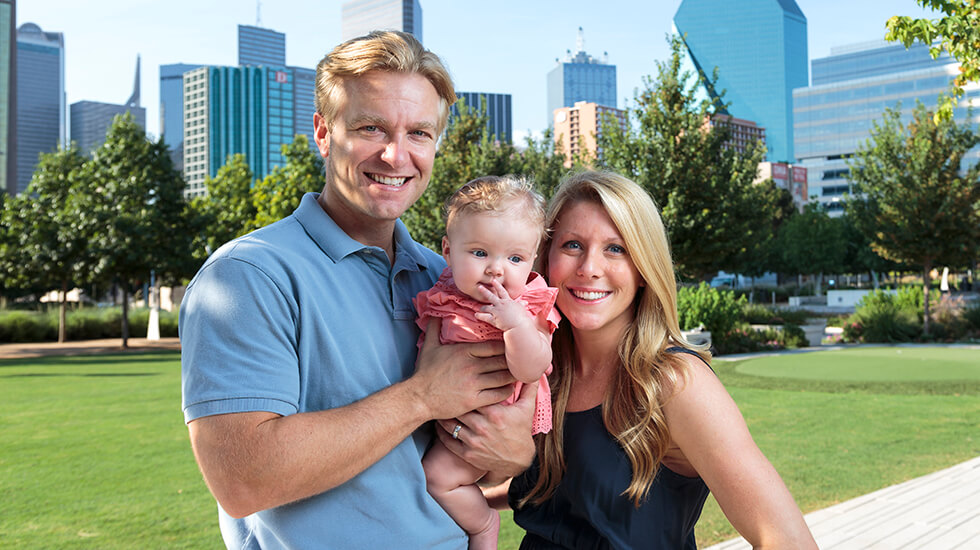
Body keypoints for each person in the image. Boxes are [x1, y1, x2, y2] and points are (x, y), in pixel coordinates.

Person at [179, 31, 535, 549]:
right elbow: (243, 480)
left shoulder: (449, 280)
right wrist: (421, 397)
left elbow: (464, 470)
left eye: (419, 133)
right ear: (324, 133)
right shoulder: (247, 277)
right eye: (371, 127)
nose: (397, 155)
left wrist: (514, 453)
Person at [493, 171, 817, 549]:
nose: (589, 268)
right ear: (546, 258)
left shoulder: (674, 381)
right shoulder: (541, 369)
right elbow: (560, 489)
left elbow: (784, 539)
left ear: (643, 270)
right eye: (572, 245)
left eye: (616, 249)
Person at [414, 176, 561, 549]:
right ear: (447, 251)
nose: (497, 269)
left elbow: (532, 368)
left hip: (491, 420)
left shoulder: (528, 306)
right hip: (451, 418)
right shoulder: (444, 295)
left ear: (532, 260)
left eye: (514, 258)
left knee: (437, 478)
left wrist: (515, 325)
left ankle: (482, 527)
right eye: (479, 253)